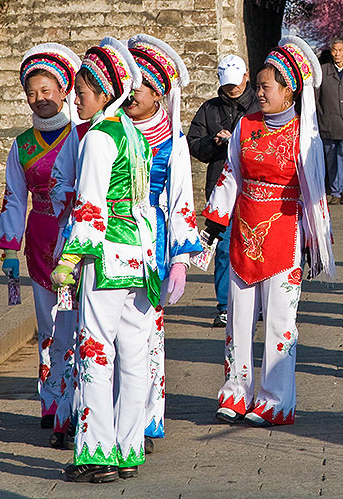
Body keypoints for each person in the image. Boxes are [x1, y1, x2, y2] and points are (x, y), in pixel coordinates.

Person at [203, 36, 335, 427]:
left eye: (265, 87)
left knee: (280, 322)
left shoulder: (303, 135)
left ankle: (275, 400)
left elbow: (314, 190)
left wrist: (314, 240)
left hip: (284, 235)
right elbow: (231, 176)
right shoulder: (244, 126)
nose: (258, 93)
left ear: (288, 90)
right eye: (257, 86)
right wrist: (214, 223)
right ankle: (235, 393)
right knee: (238, 319)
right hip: (244, 232)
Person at [50, 36, 161, 483]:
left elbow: (91, 204)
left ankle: (97, 453)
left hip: (106, 256)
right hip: (139, 255)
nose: (76, 101)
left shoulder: (97, 136)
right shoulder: (135, 133)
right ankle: (129, 448)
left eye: (82, 93)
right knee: (134, 354)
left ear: (105, 92)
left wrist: (70, 259)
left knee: (95, 349)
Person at [0, 43, 81, 429]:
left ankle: (80, 400)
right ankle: (51, 400)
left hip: (78, 240)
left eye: (47, 91)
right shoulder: (22, 145)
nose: (39, 99)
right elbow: (14, 197)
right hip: (41, 240)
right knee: (49, 326)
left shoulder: (82, 136)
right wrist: (10, 249)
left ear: (64, 91)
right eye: (32, 93)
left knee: (79, 324)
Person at [125, 34, 202, 452]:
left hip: (152, 238)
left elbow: (180, 201)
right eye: (129, 83)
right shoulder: (105, 131)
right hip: (110, 237)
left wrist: (180, 260)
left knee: (148, 331)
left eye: (141, 86)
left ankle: (147, 416)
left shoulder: (173, 141)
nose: (132, 92)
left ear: (158, 94)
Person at [187, 55, 259, 327]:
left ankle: (256, 301)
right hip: (220, 187)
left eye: (237, 83)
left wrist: (239, 140)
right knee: (225, 247)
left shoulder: (259, 104)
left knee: (255, 245)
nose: (233, 89)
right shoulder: (210, 109)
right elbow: (194, 144)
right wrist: (214, 142)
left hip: (253, 186)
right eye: (228, 85)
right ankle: (225, 305)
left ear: (247, 76)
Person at [316, 36, 343, 205]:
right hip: (329, 122)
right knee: (332, 159)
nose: (337, 54)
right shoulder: (323, 71)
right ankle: (335, 191)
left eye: (341, 50)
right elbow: (316, 99)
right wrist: (320, 118)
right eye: (335, 50)